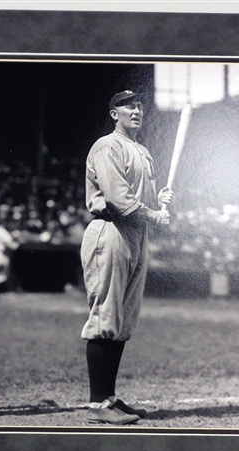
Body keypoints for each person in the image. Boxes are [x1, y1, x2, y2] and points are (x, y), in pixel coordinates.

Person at [80, 89, 174, 426]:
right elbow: (119, 199)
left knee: (122, 321)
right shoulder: (108, 145)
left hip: (135, 234)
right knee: (106, 315)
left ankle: (110, 398)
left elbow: (140, 199)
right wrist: (152, 213)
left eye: (138, 105)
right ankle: (96, 404)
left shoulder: (142, 151)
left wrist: (159, 199)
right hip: (111, 230)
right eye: (127, 105)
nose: (135, 110)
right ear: (113, 113)